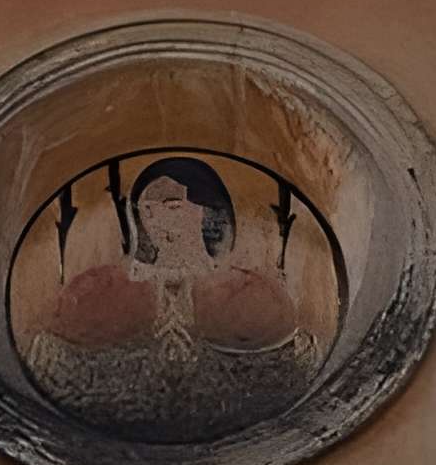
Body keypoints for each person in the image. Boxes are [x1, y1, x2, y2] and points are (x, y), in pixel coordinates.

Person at [22, 156, 319, 444]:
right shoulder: (100, 287)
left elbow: (285, 373)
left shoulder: (251, 291)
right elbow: (56, 366)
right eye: (147, 210)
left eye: (173, 207)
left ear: (205, 211)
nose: (157, 221)